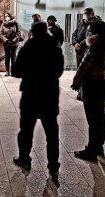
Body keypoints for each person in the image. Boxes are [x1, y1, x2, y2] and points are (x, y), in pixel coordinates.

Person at [11, 22, 64, 182]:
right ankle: (53, 165)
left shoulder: (28, 48)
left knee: (26, 129)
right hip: (49, 94)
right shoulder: (55, 47)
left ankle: (24, 159)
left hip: (31, 93)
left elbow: (17, 71)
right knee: (52, 133)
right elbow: (59, 71)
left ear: (33, 32)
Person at [71, 20, 105, 162]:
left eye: (89, 30)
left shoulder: (95, 47)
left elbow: (84, 66)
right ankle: (98, 145)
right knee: (100, 118)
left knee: (93, 119)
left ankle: (91, 149)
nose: (87, 32)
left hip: (92, 85)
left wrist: (76, 81)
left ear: (95, 32)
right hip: (103, 84)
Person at [72, 7, 99, 101]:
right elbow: (74, 33)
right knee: (80, 69)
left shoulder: (95, 23)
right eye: (85, 13)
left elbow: (89, 36)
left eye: (88, 13)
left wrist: (80, 44)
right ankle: (81, 91)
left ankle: (82, 92)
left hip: (86, 49)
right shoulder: (82, 22)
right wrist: (75, 43)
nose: (86, 15)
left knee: (85, 72)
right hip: (78, 49)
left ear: (92, 13)